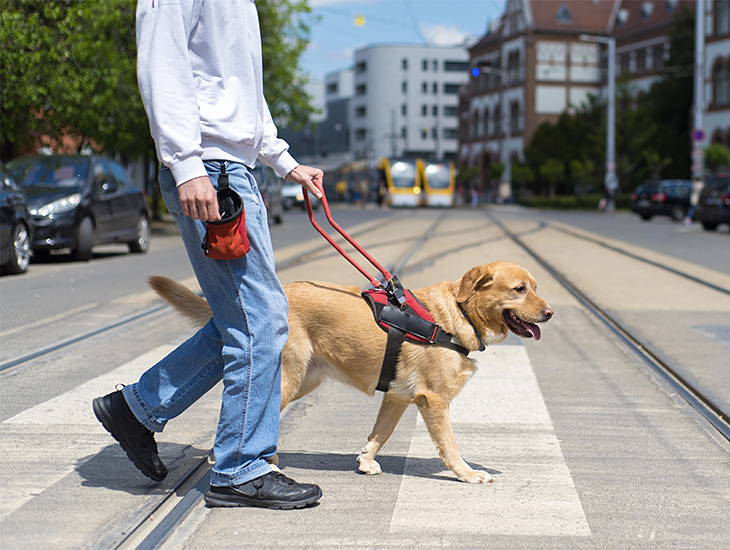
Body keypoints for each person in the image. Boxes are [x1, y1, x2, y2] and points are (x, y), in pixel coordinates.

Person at [92, 0, 323, 510]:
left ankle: (136, 409)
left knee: (243, 318)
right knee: (261, 320)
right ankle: (241, 469)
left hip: (232, 168)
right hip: (209, 170)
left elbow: (242, 90)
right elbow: (163, 63)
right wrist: (185, 162)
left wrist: (283, 161)